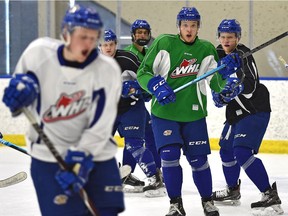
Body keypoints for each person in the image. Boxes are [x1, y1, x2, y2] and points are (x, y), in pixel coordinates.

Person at [2, 4, 125, 216]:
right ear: (66, 33)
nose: (88, 44)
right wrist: (21, 96)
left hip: (97, 155)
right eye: (82, 36)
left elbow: (101, 125)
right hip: (48, 158)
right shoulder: (37, 54)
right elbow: (19, 95)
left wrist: (81, 160)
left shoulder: (107, 70)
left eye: (93, 37)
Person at [137, 6, 242, 216]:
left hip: (193, 116)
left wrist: (227, 82)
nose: (189, 29)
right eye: (185, 25)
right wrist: (155, 86)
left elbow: (215, 82)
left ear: (198, 27)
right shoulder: (164, 43)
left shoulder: (206, 49)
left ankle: (207, 201)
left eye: (193, 25)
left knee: (199, 161)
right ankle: (175, 204)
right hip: (165, 115)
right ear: (179, 26)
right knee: (170, 156)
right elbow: (143, 73)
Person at [211, 19, 283, 215]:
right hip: (235, 112)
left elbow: (251, 86)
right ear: (218, 37)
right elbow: (213, 79)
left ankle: (269, 195)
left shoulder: (243, 54)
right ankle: (232, 190)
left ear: (238, 38)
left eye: (231, 37)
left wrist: (237, 83)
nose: (226, 40)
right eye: (223, 37)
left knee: (241, 152)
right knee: (226, 151)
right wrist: (219, 95)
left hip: (254, 109)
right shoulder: (216, 54)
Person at [100, 29, 166, 197]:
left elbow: (146, 83)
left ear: (116, 44)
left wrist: (135, 88)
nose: (108, 48)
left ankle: (155, 178)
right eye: (104, 45)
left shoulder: (128, 60)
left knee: (134, 144)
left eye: (111, 44)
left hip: (132, 107)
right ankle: (119, 176)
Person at [124, 19, 162, 178]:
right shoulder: (127, 53)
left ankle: (155, 170)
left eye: (145, 33)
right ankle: (126, 172)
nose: (142, 35)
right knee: (134, 138)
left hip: (139, 102)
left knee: (149, 135)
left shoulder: (148, 52)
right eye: (139, 32)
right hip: (127, 104)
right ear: (133, 34)